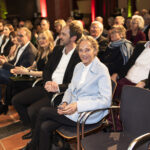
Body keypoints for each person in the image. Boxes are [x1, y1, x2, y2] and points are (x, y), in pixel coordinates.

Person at [21, 35, 112, 150]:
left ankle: (32, 147)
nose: (84, 54)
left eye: (87, 50)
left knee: (43, 111)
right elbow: (70, 89)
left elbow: (106, 100)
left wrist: (78, 105)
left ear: (95, 50)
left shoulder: (102, 70)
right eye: (81, 50)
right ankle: (35, 146)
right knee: (45, 126)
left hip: (87, 113)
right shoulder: (79, 66)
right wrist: (64, 102)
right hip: (71, 109)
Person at [12, 21, 83, 140]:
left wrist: (58, 87)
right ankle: (33, 128)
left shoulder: (79, 56)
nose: (60, 36)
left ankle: (36, 134)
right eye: (61, 34)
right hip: (47, 86)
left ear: (73, 38)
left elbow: (75, 84)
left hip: (61, 92)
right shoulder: (58, 49)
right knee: (16, 100)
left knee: (33, 110)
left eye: (64, 34)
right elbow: (47, 70)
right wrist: (47, 82)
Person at [0, 30, 54, 114]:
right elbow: (33, 66)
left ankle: (6, 105)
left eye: (44, 38)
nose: (41, 40)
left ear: (50, 39)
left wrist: (26, 72)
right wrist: (23, 69)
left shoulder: (52, 53)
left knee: (12, 81)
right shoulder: (40, 52)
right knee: (12, 82)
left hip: (42, 82)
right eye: (39, 38)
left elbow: (46, 73)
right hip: (34, 78)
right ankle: (5, 105)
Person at [0, 27, 37, 114]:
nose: (18, 38)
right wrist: (5, 61)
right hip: (15, 73)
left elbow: (20, 70)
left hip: (22, 78)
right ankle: (2, 105)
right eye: (17, 35)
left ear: (28, 37)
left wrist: (4, 64)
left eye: (21, 36)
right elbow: (14, 62)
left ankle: (3, 105)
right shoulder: (22, 47)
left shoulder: (30, 51)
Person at [113, 28, 150, 99]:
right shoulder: (140, 45)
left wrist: (145, 82)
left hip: (141, 85)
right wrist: (117, 74)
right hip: (126, 80)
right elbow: (129, 64)